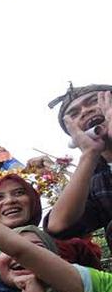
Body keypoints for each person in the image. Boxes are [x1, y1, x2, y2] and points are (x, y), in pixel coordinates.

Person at [47, 84, 112, 247]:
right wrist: (89, 154)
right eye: (74, 113)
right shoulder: (95, 179)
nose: (85, 111)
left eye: (93, 101)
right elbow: (58, 226)